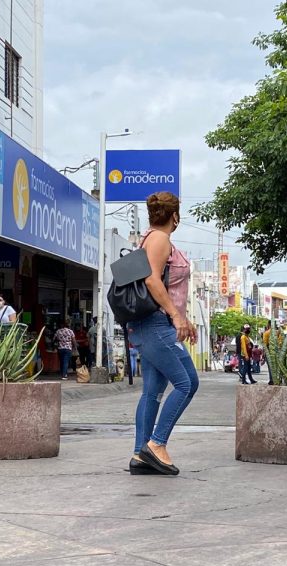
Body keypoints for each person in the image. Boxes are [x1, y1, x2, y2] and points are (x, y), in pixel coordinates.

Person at [126, 191, 199, 476]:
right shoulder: (159, 239)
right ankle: (156, 445)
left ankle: (140, 455)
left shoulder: (154, 238)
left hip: (158, 322)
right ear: (176, 215)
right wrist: (173, 314)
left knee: (153, 392)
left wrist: (183, 317)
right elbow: (152, 281)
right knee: (187, 383)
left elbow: (168, 286)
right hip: (155, 323)